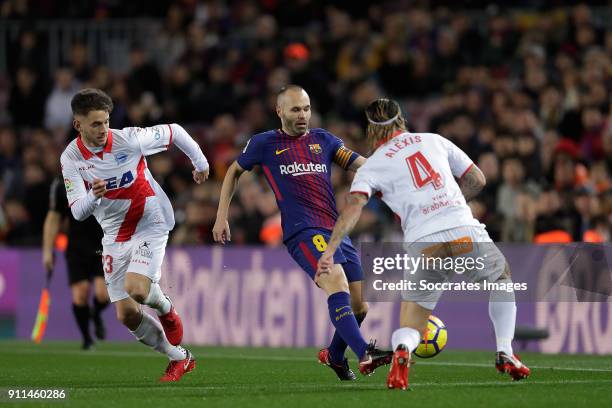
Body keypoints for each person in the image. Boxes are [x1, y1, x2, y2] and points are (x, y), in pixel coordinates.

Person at [317, 98, 530, 390]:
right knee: (501, 278)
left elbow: (354, 206)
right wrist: (452, 204)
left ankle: (403, 348)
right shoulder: (435, 141)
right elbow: (477, 179)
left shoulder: (372, 166)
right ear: (401, 120)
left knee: (412, 325)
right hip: (463, 231)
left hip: (422, 242)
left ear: (371, 129)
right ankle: (505, 350)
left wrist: (330, 250)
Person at [212, 85, 392, 380]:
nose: (302, 115)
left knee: (360, 307)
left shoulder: (324, 140)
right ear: (279, 111)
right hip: (302, 231)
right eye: (295, 109)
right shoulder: (264, 143)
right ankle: (364, 354)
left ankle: (335, 356)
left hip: (336, 231)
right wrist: (222, 216)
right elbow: (233, 171)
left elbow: (360, 163)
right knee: (335, 281)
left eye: (306, 109)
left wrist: (390, 170)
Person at [60, 88, 209, 382]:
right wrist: (93, 196)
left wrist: (200, 163)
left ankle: (165, 307)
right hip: (114, 234)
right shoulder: (71, 158)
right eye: (95, 124)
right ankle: (179, 357)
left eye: (105, 121)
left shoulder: (128, 138)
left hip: (150, 220)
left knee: (138, 288)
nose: (103, 129)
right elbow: (78, 211)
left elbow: (175, 131)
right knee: (126, 315)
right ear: (79, 125)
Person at [42, 175, 109, 350]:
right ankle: (87, 338)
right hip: (76, 247)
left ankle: (95, 314)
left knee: (103, 295)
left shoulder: (103, 172)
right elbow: (53, 218)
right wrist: (47, 251)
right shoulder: (61, 183)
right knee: (81, 294)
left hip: (103, 244)